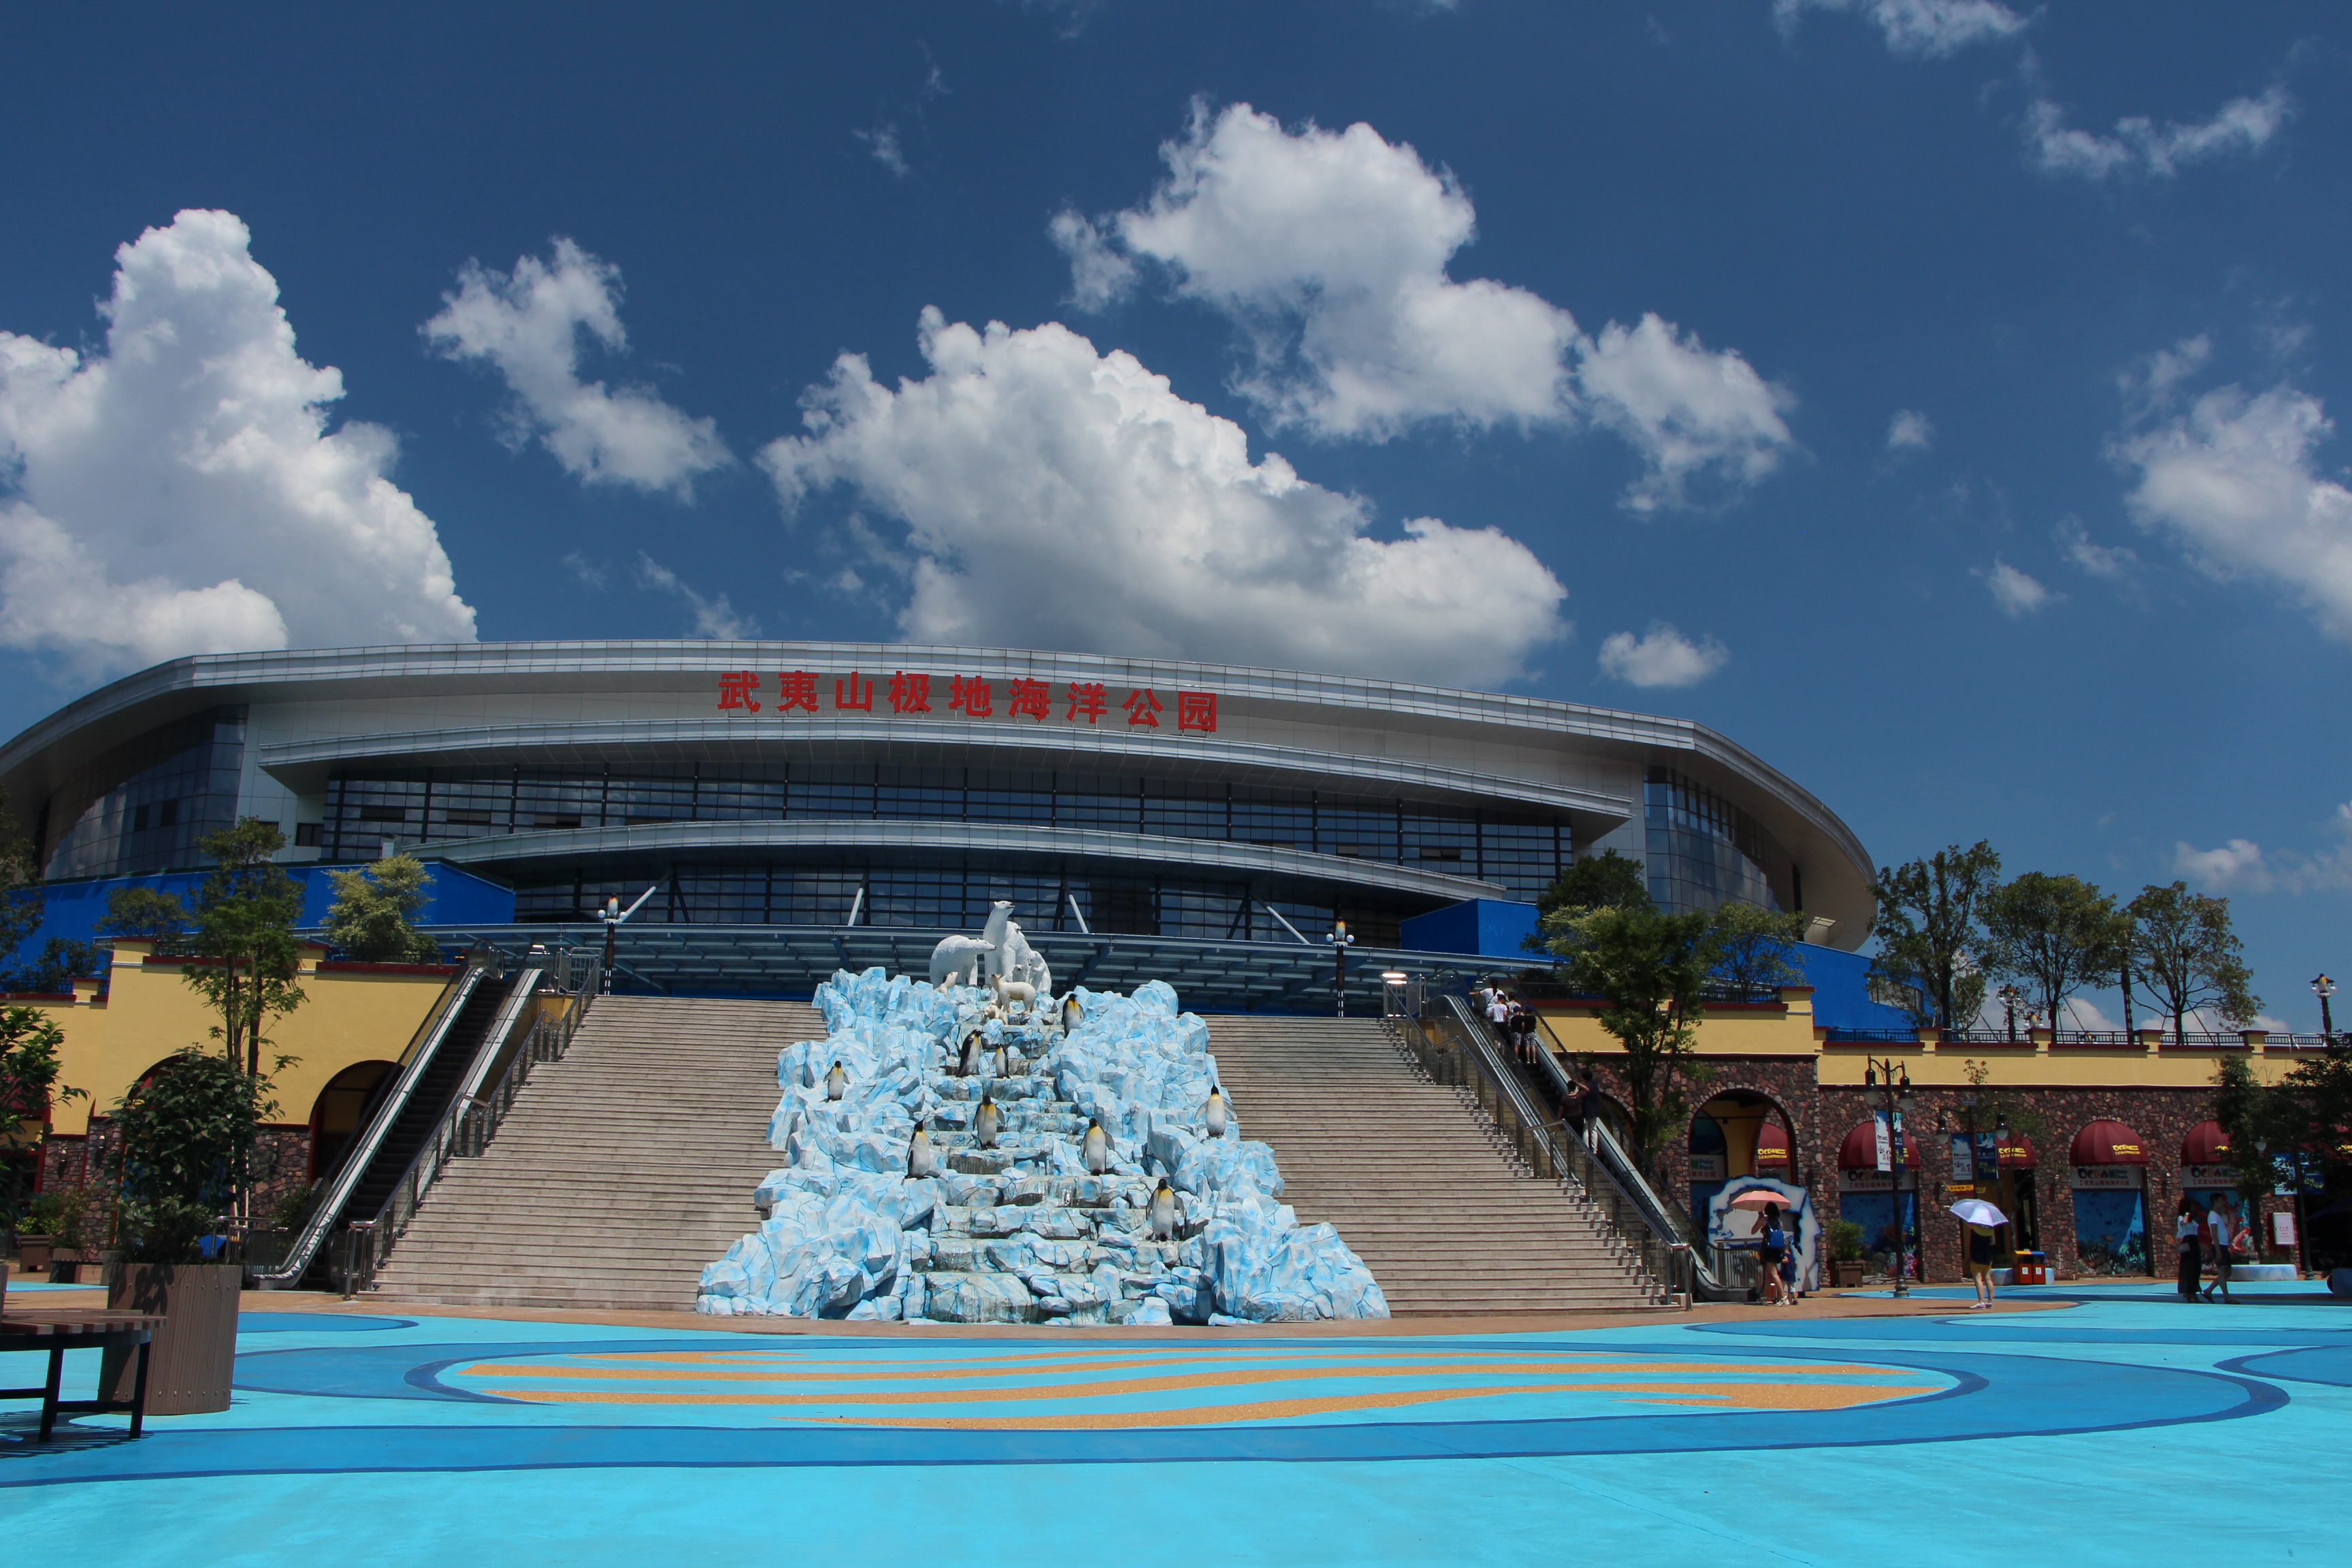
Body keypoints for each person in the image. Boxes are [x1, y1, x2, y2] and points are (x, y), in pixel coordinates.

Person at [2203, 1196, 2241, 1303]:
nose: (2223, 1203)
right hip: (2219, 1246)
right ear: (2215, 1202)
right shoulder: (2213, 1216)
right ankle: (2227, 1297)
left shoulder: (2218, 1215)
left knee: (2227, 1272)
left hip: (2223, 1246)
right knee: (2223, 1271)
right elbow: (2214, 1234)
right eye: (2221, 1201)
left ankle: (2209, 1290)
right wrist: (2218, 1250)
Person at [1759, 1203, 1789, 1305]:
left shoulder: (1764, 1221)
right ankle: (1765, 1296)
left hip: (1768, 1249)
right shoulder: (1780, 1222)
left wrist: (1760, 1222)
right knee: (1768, 1273)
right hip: (1778, 1249)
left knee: (1773, 1273)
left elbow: (1753, 1231)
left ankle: (1783, 1296)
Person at [2174, 1194, 2203, 1302]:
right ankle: (2189, 1292)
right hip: (2189, 1242)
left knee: (2195, 1268)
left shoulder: (2192, 1218)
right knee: (2189, 1268)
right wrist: (2187, 1213)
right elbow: (2183, 1223)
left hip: (2194, 1242)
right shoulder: (2182, 1217)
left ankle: (2191, 1291)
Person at [1965, 1222, 1997, 1309]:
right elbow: (1993, 1242)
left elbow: (1966, 1222)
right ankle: (1990, 1302)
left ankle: (1981, 1302)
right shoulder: (1991, 1229)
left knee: (1978, 1280)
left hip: (1977, 1256)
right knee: (1988, 1279)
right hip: (1987, 1256)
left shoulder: (1975, 1227)